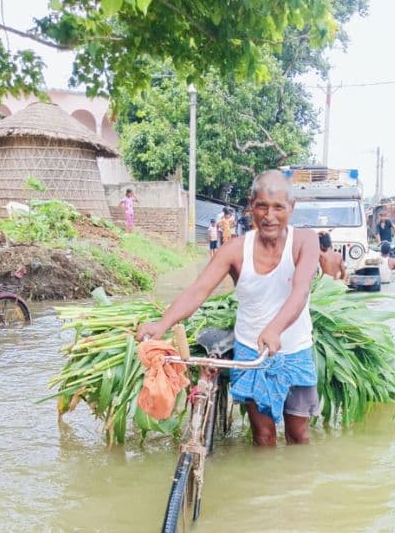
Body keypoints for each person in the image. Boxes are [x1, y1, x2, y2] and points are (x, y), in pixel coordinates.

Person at [137, 170, 320, 447]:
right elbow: (199, 290)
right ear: (251, 207)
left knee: (299, 436)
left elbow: (301, 290)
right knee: (263, 436)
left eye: (278, 207)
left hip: (295, 349)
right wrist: (162, 325)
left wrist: (274, 329)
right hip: (250, 351)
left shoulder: (305, 241)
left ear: (291, 208)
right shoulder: (234, 249)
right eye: (262, 206)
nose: (269, 216)